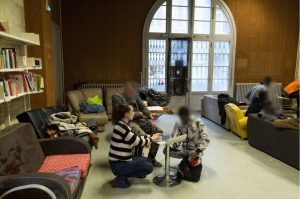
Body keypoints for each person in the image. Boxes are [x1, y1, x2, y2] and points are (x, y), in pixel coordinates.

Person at [109, 104, 162, 188]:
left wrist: (150, 136)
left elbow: (135, 137)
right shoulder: (121, 127)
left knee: (147, 161)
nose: (134, 113)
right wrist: (151, 139)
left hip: (121, 162)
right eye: (132, 111)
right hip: (118, 165)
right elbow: (137, 141)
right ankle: (121, 178)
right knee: (149, 167)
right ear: (126, 114)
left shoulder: (122, 125)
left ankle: (124, 174)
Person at [112, 81, 163, 167]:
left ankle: (151, 158)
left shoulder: (134, 94)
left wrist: (149, 114)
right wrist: (138, 114)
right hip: (127, 122)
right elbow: (122, 114)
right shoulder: (117, 97)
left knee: (158, 131)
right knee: (141, 136)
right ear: (124, 90)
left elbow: (142, 107)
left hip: (140, 120)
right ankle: (137, 160)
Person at [165, 106, 210, 182]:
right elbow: (178, 138)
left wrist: (197, 151)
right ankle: (186, 162)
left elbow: (206, 139)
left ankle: (189, 162)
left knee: (195, 178)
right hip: (184, 150)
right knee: (167, 152)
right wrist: (171, 146)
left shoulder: (198, 122)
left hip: (195, 152)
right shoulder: (179, 123)